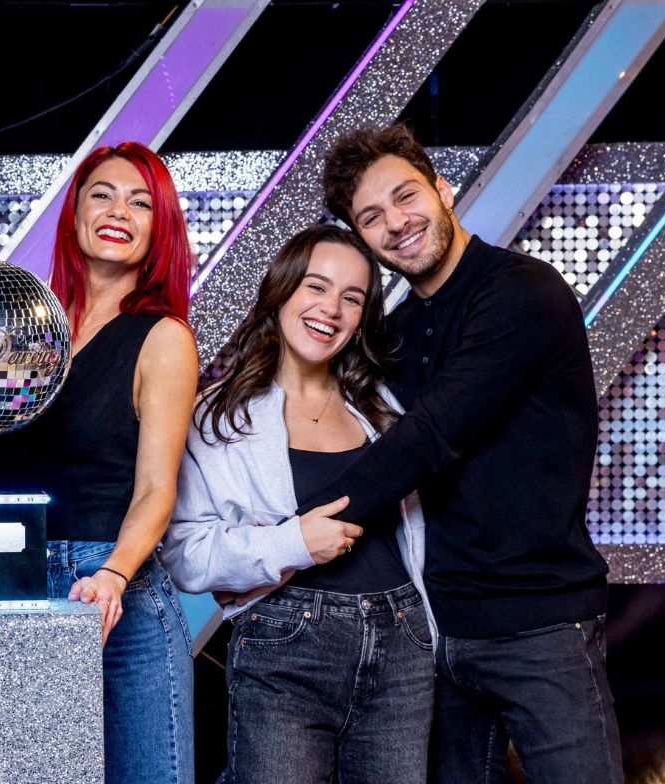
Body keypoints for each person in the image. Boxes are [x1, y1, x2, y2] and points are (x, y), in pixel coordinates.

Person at [303, 123, 620, 783]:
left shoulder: (522, 292)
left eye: (406, 196)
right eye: (371, 217)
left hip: (541, 627)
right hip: (436, 631)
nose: (396, 222)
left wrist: (294, 531)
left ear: (442, 189)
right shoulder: (393, 332)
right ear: (361, 237)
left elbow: (431, 434)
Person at [161, 224, 435, 783]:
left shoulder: (384, 407)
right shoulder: (216, 417)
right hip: (285, 646)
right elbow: (185, 554)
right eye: (316, 286)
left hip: (403, 646)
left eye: (352, 298)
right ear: (282, 290)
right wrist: (293, 543)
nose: (330, 309)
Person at [0, 141, 200, 783]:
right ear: (76, 212)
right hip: (19, 585)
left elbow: (157, 489)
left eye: (141, 203)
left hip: (115, 588)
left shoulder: (163, 337)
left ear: (159, 228)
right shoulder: (29, 332)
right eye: (102, 194)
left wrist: (111, 575)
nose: (118, 211)